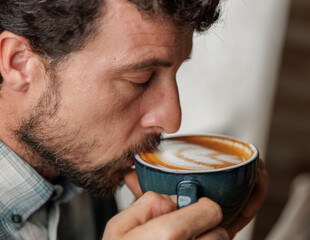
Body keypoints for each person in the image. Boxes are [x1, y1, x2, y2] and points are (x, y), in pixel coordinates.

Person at [0, 0, 269, 239]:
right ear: (18, 63)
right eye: (139, 80)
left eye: (175, 73)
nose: (173, 120)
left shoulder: (81, 168)